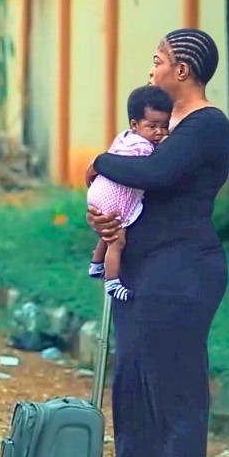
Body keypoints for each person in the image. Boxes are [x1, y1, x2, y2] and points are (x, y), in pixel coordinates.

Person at [84, 27, 229, 457]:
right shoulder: (165, 128)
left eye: (158, 62)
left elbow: (155, 174)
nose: (152, 72)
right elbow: (136, 190)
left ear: (183, 71)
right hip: (143, 272)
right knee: (146, 389)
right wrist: (104, 218)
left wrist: (101, 159)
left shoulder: (206, 126)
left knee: (179, 390)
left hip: (183, 275)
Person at [86, 85, 172, 301]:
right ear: (135, 125)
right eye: (152, 126)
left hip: (100, 190)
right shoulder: (143, 147)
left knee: (108, 233)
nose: (159, 132)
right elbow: (152, 167)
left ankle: (96, 264)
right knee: (118, 239)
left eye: (164, 126)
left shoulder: (124, 137)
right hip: (116, 196)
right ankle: (113, 282)